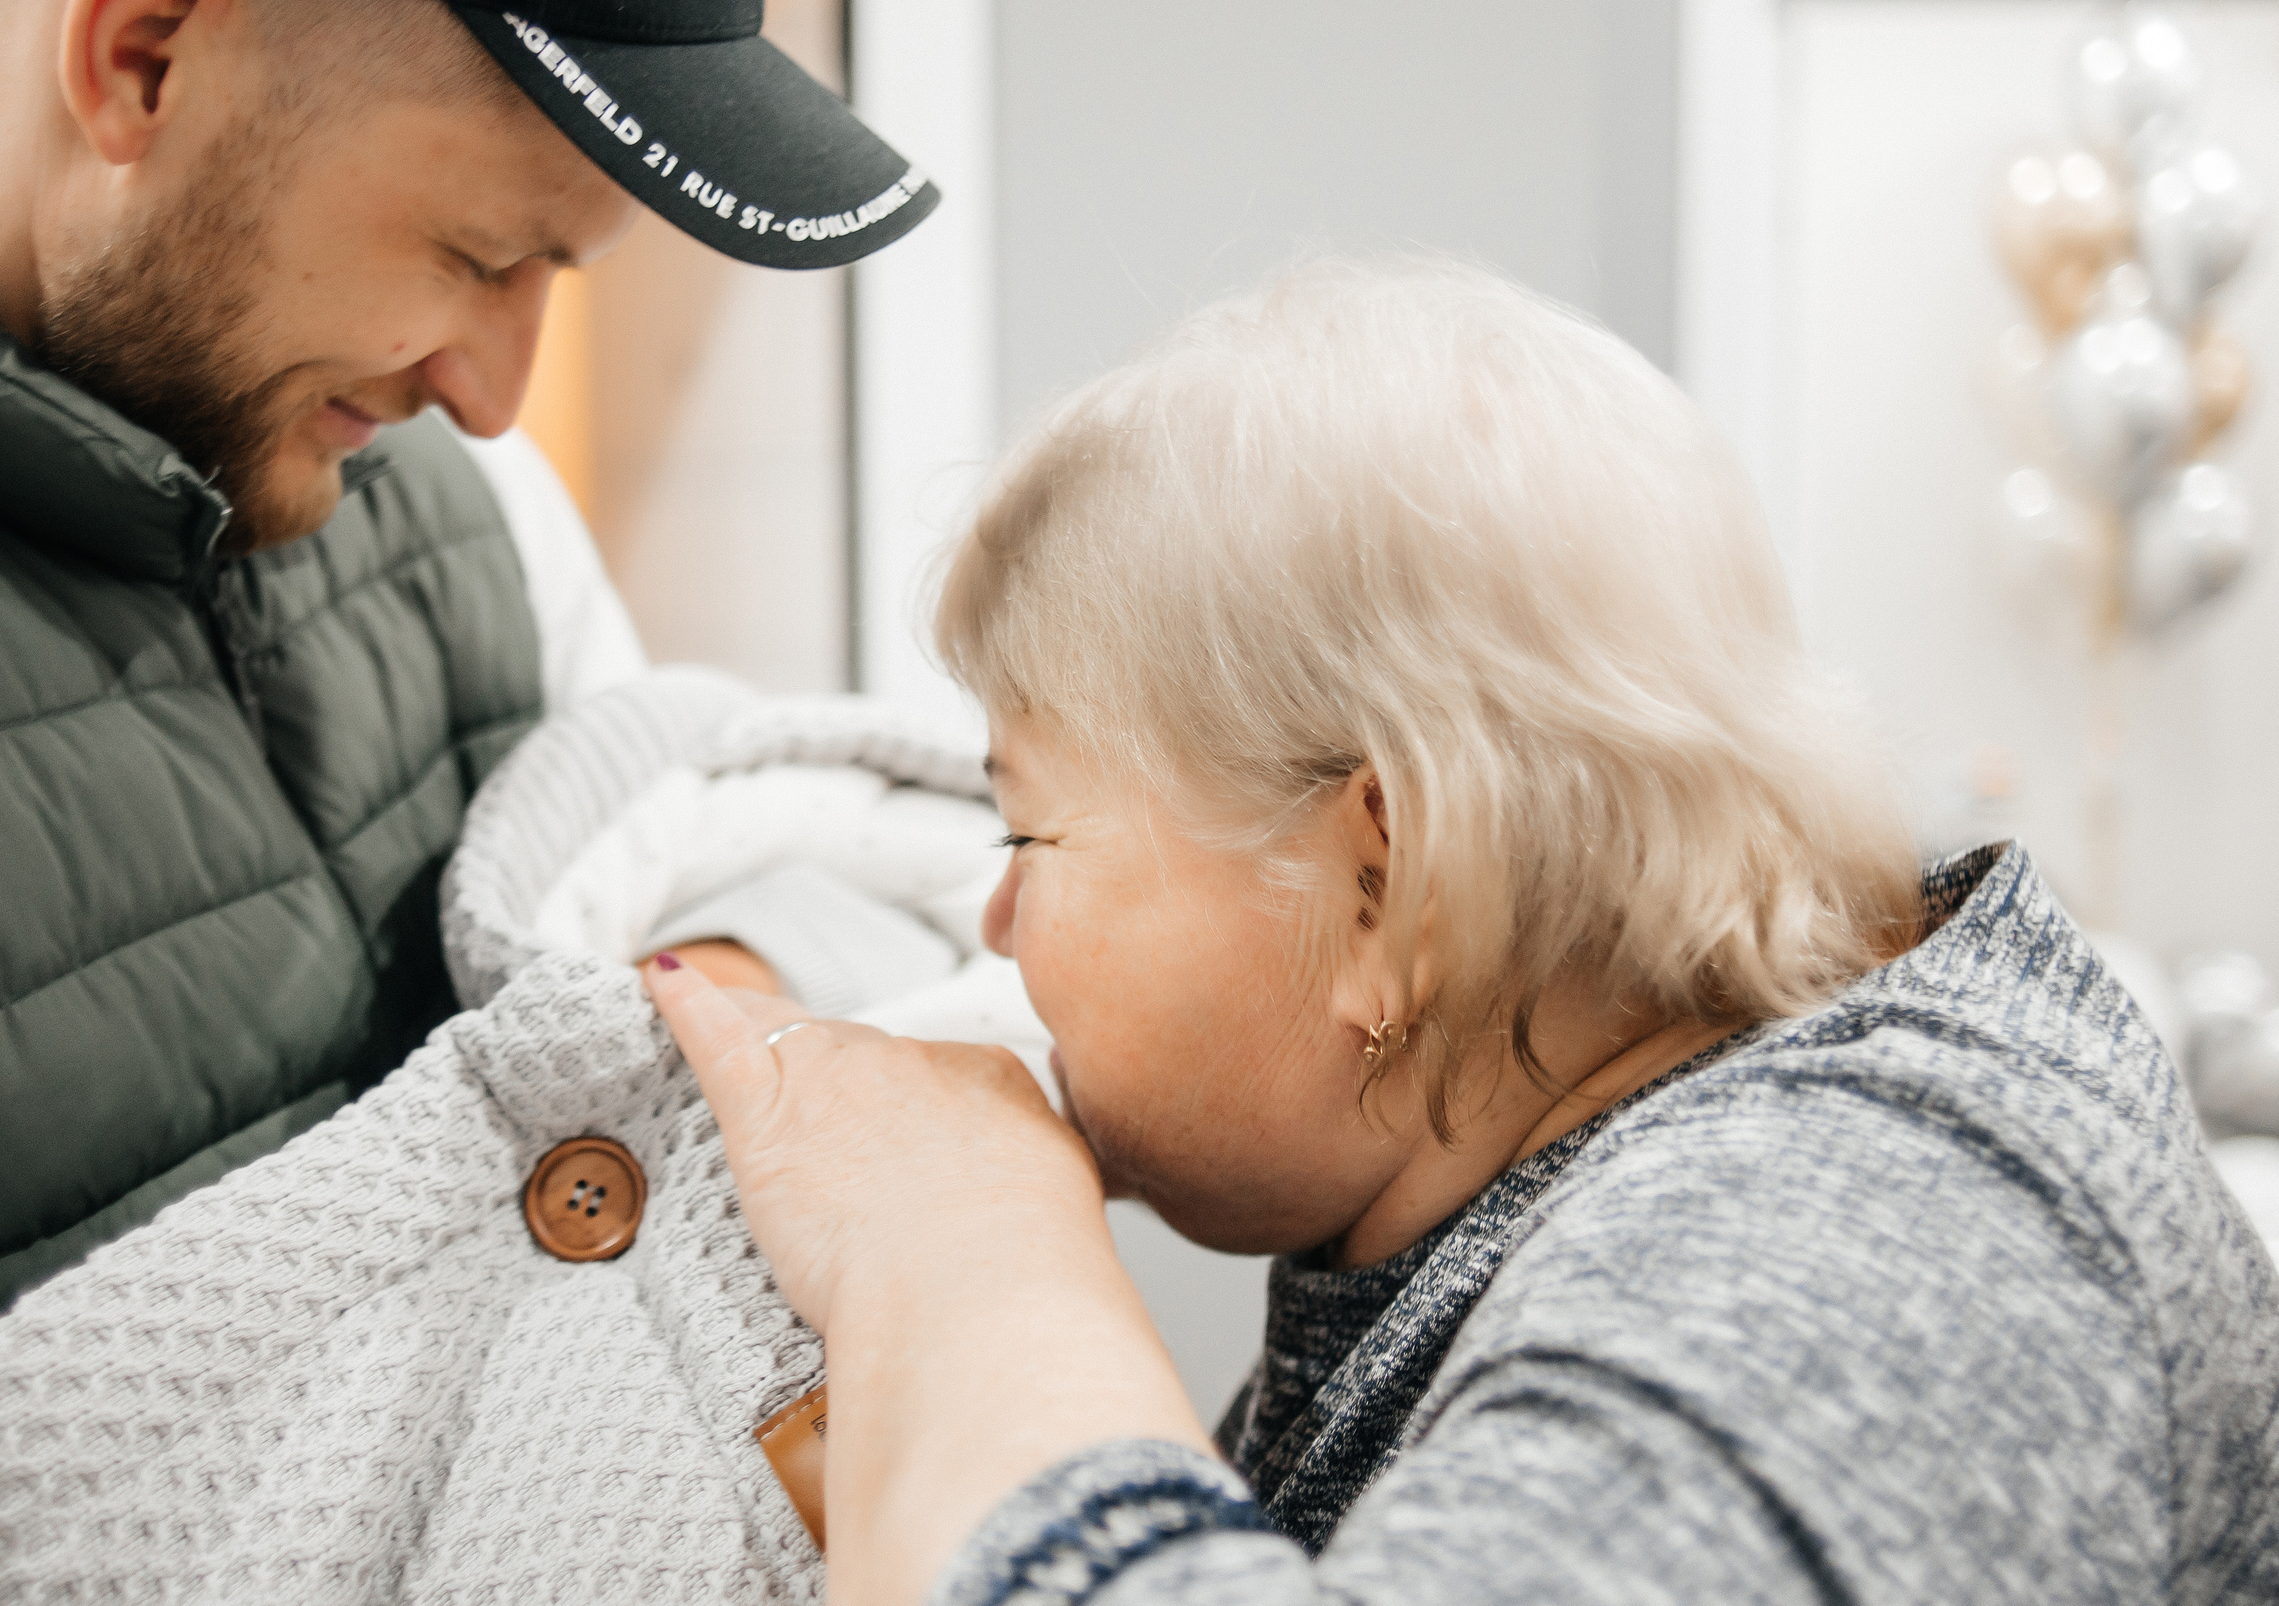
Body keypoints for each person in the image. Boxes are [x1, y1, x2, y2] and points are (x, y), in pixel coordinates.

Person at [647, 257, 2279, 1604]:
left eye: (1030, 833)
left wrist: (960, 1248)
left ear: (1388, 881)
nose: (1000, 922)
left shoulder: (1870, 1241)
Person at [0, 0, 930, 1596]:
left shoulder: (461, 503)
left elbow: (785, 865)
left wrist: (716, 996)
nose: (496, 395)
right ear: (144, 52)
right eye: (480, 254)